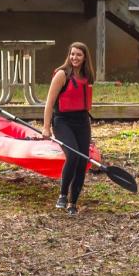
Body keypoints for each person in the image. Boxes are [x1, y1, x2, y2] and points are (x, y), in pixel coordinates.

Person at [42, 41, 94, 214]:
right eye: (72, 54)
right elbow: (49, 103)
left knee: (82, 160)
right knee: (72, 155)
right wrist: (46, 127)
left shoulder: (88, 76)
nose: (75, 58)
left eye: (78, 55)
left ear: (85, 57)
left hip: (82, 121)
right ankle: (63, 195)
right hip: (62, 121)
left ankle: (73, 203)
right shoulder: (62, 74)